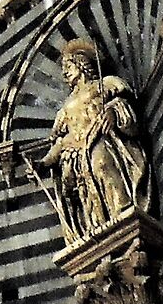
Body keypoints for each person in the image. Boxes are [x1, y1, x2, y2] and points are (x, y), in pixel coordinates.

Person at [41, 39, 149, 243]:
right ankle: (95, 224)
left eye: (68, 66)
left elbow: (124, 100)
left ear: (82, 65)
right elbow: (61, 141)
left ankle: (121, 210)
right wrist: (43, 163)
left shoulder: (103, 84)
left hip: (100, 138)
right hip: (76, 151)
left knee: (101, 164)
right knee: (76, 188)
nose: (65, 73)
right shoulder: (66, 107)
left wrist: (112, 112)